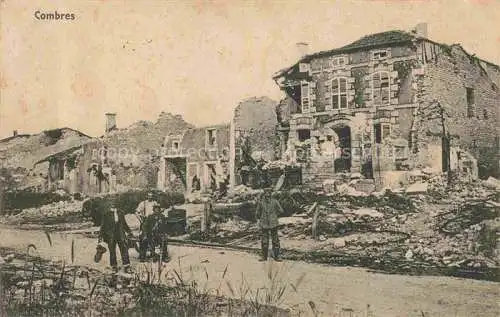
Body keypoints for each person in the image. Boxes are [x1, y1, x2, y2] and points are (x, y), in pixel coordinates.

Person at [96, 200, 133, 273]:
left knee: (124, 249)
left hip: (120, 234)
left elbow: (124, 224)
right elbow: (103, 226)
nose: (114, 205)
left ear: (117, 204)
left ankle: (126, 266)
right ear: (110, 204)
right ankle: (114, 266)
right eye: (112, 203)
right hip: (111, 235)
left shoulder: (121, 213)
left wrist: (129, 231)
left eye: (115, 203)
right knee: (112, 251)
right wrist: (100, 236)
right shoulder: (106, 214)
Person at [255, 188, 284, 262]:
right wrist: (261, 218)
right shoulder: (261, 202)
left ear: (271, 194)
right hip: (264, 223)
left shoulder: (275, 202)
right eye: (266, 193)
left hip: (273, 223)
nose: (267, 194)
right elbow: (257, 213)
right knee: (264, 241)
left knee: (275, 241)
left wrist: (274, 216)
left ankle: (277, 256)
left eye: (269, 193)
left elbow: (281, 210)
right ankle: (264, 257)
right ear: (264, 193)